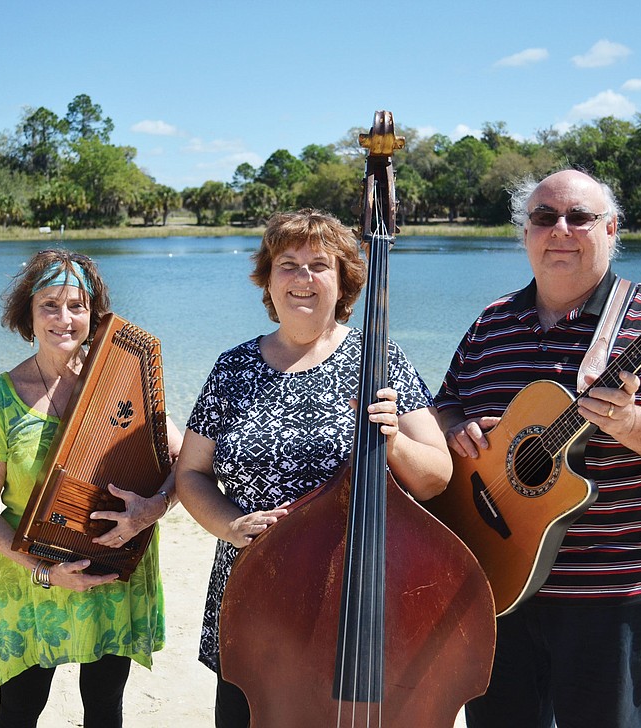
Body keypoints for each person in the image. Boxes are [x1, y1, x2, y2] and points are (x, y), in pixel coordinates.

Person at [436, 169, 641, 727]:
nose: (561, 230)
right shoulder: (492, 323)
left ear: (611, 228)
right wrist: (457, 428)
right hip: (495, 582)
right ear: (525, 232)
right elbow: (443, 405)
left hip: (618, 599)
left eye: (580, 217)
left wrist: (629, 421)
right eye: (545, 217)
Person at [174, 208, 453, 728]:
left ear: (344, 279)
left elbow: (436, 476)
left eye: (319, 265)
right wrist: (228, 525)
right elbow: (192, 473)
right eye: (288, 264)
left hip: (356, 595)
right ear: (269, 278)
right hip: (255, 589)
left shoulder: (380, 358)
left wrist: (393, 441)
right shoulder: (233, 366)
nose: (303, 279)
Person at [0, 248, 182, 728]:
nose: (64, 318)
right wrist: (45, 571)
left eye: (77, 306)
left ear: (94, 314)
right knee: (19, 712)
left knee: (104, 710)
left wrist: (153, 508)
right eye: (49, 305)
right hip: (29, 577)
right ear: (28, 314)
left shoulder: (121, 381)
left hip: (109, 564)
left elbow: (186, 458)